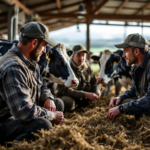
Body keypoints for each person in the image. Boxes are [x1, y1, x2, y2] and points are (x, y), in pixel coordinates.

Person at [0, 22, 64, 145]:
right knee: (42, 124)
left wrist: (48, 97)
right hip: (6, 120)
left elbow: (41, 84)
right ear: (34, 43)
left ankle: (45, 137)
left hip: (19, 111)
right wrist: (51, 115)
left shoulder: (29, 60)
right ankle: (13, 146)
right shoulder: (14, 67)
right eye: (44, 46)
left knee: (57, 104)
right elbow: (24, 111)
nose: (45, 51)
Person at [106, 33, 150, 120]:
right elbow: (134, 89)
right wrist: (120, 97)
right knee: (121, 102)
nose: (123, 56)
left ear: (136, 51)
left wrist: (122, 108)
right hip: (146, 102)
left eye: (125, 51)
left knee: (122, 107)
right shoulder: (136, 66)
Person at [57, 44, 101, 111]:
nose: (81, 58)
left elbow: (94, 82)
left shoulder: (87, 67)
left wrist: (96, 90)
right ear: (72, 56)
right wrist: (85, 94)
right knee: (69, 102)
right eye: (78, 55)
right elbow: (64, 90)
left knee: (100, 92)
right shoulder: (66, 68)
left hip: (84, 95)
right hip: (72, 96)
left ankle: (83, 105)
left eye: (83, 55)